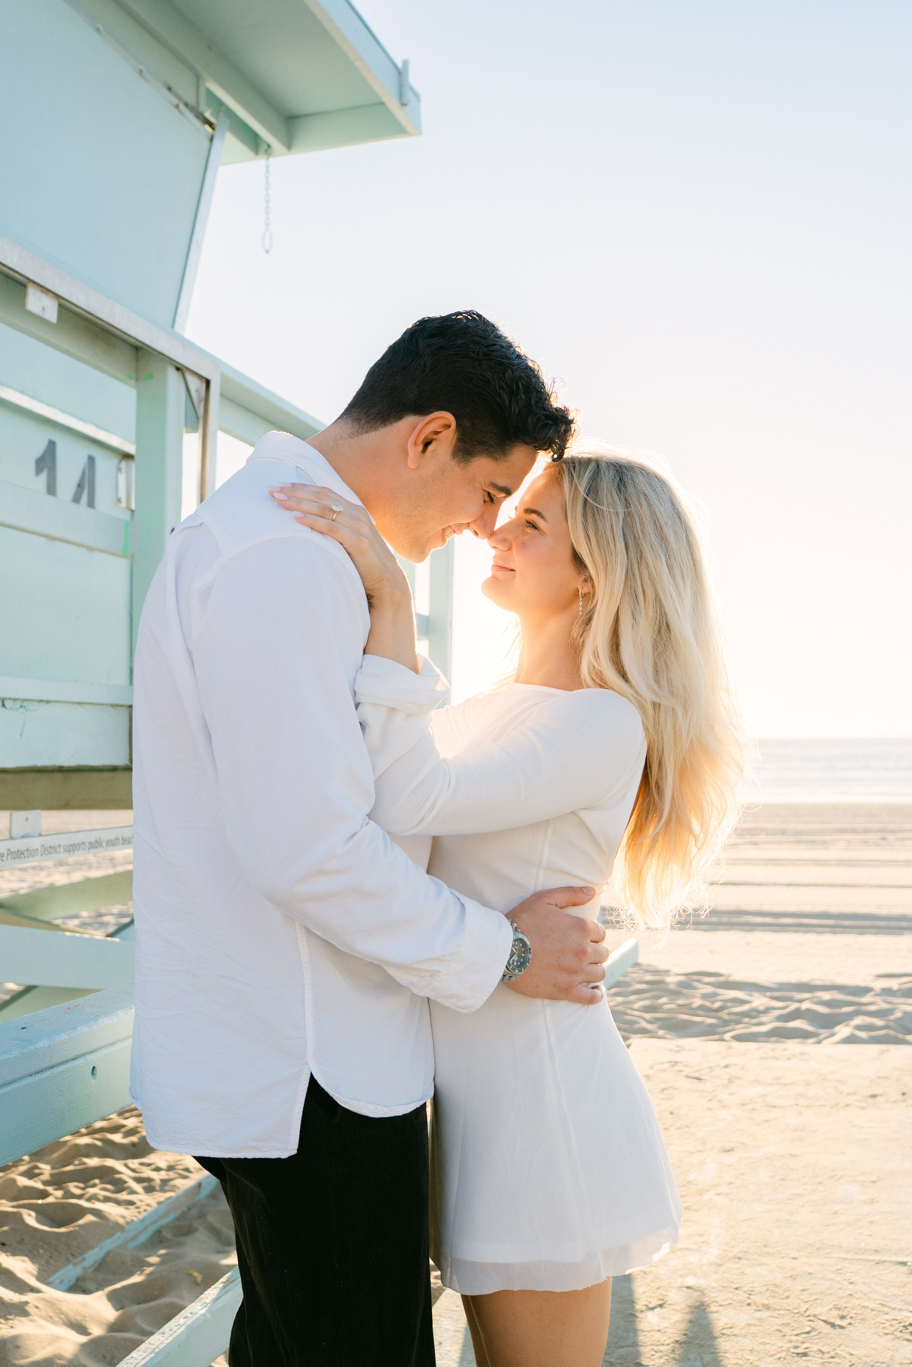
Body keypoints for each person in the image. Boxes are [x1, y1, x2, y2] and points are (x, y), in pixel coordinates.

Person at [129, 311, 613, 1367]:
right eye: (490, 494)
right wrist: (509, 951)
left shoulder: (269, 534)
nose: (486, 528)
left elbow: (352, 807)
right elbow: (311, 851)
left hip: (296, 1052)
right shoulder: (289, 556)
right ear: (430, 434)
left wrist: (391, 606)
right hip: (316, 1065)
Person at [272, 446, 743, 1367]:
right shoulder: (501, 705)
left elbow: (411, 798)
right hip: (481, 1113)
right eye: (507, 513)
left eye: (532, 524)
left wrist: (393, 598)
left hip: (544, 1117)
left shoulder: (603, 721)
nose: (495, 530)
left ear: (593, 575)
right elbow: (377, 794)